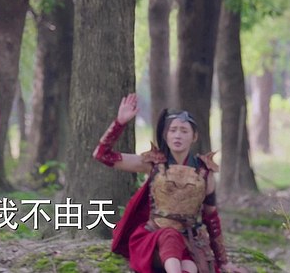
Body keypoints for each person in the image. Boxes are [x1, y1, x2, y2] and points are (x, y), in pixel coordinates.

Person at [93, 93, 245, 273]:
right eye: (173, 130)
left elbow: (211, 217)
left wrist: (223, 261)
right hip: (153, 240)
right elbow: (102, 155)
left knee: (189, 267)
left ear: (194, 136)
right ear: (166, 135)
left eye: (184, 131)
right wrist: (120, 122)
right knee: (170, 236)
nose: (178, 135)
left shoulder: (204, 171)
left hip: (188, 242)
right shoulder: (153, 163)